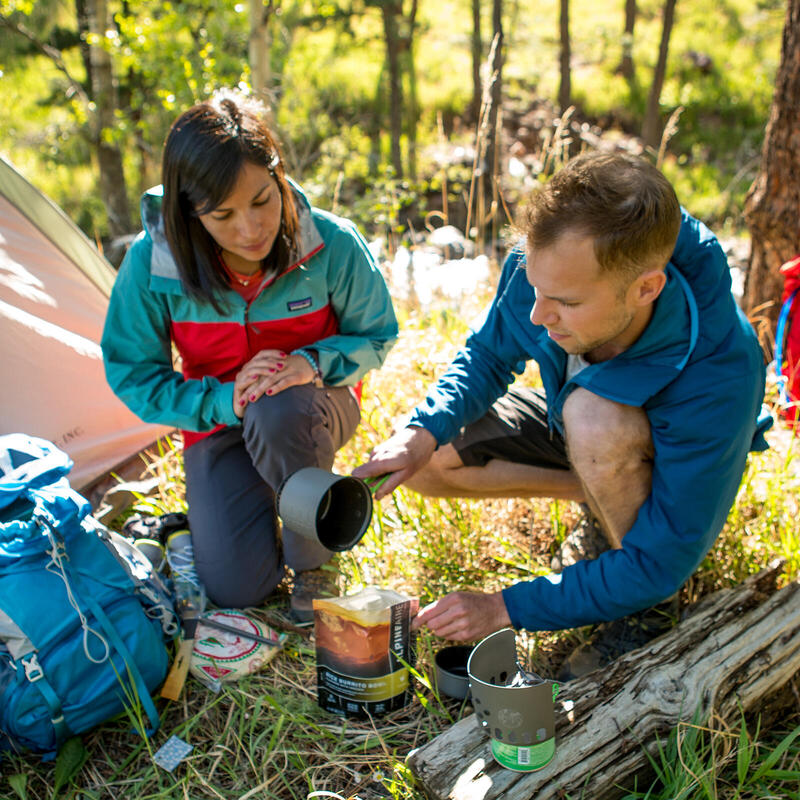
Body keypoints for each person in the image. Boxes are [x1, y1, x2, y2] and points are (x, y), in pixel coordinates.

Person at [354, 152, 768, 671]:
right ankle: (607, 511)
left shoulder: (719, 373)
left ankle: (646, 614)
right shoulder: (550, 262)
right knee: (433, 458)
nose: (536, 314)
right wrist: (421, 429)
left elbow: (660, 564)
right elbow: (487, 355)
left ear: (646, 289)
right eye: (534, 286)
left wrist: (507, 607)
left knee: (597, 419)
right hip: (580, 429)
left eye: (565, 303)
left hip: (644, 449)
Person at [102, 89, 398, 621]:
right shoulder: (153, 264)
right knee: (238, 588)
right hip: (217, 421)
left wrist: (311, 363)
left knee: (275, 407)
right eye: (223, 214)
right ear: (190, 213)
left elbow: (377, 336)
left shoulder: (332, 242)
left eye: (263, 199)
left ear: (279, 175)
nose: (251, 228)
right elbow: (132, 374)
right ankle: (252, 507)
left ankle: (313, 563)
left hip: (312, 407)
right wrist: (223, 400)